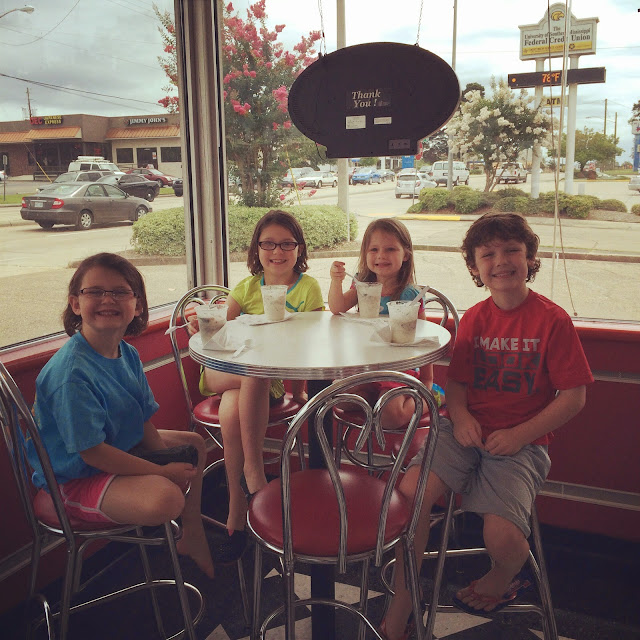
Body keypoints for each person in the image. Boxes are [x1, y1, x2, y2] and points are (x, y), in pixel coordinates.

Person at [381, 212, 593, 640]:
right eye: (488, 254)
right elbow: (456, 384)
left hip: (522, 442)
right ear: (475, 267)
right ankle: (402, 604)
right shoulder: (476, 318)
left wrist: (520, 435)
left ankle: (505, 575)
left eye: (512, 250)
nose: (501, 261)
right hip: (461, 431)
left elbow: (574, 396)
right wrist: (460, 417)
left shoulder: (553, 320)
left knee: (502, 537)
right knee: (409, 496)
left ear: (530, 258)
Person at [27, 253, 215, 579]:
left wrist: (164, 459)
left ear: (137, 305)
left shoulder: (126, 353)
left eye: (120, 292)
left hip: (115, 449)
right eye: (95, 291)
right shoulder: (71, 374)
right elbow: (93, 453)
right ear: (75, 304)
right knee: (167, 499)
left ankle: (192, 530)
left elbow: (141, 419)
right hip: (73, 478)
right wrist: (162, 471)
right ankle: (183, 518)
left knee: (195, 445)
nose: (107, 299)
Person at [194, 209, 324, 561]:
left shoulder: (308, 288)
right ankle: (253, 472)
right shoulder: (247, 287)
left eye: (286, 244)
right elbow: (219, 331)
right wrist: (202, 325)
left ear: (299, 249)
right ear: (257, 249)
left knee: (232, 407)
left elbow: (313, 343)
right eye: (268, 244)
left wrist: (300, 391)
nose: (277, 251)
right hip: (223, 371)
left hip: (265, 381)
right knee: (252, 369)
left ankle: (236, 512)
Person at [328, 218, 443, 428]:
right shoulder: (362, 285)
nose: (381, 255)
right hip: (365, 365)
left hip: (397, 369)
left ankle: (434, 396)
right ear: (365, 254)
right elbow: (337, 307)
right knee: (339, 399)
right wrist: (336, 281)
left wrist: (427, 380)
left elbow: (422, 337)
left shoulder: (410, 295)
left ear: (405, 255)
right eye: (374, 249)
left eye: (390, 249)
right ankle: (377, 397)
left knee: (390, 418)